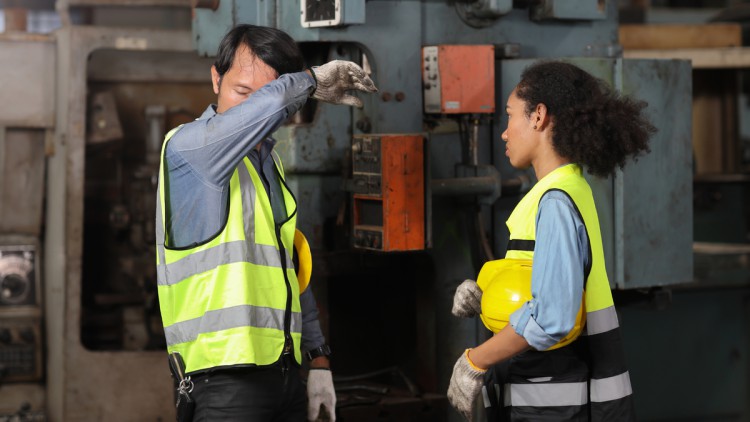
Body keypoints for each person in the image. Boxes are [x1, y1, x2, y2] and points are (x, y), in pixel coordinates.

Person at [154, 24, 377, 421]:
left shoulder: (268, 163)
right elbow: (267, 107)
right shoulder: (189, 148)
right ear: (215, 79)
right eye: (242, 93)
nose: (253, 111)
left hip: (285, 374)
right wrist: (307, 81)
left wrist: (318, 358)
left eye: (267, 99)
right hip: (224, 381)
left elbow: (288, 269)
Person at [448, 60, 655, 421]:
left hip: (556, 403)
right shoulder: (565, 189)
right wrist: (486, 296)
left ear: (538, 116)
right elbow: (537, 287)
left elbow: (552, 318)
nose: (504, 133)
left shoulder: (556, 201)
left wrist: (474, 361)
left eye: (511, 116)